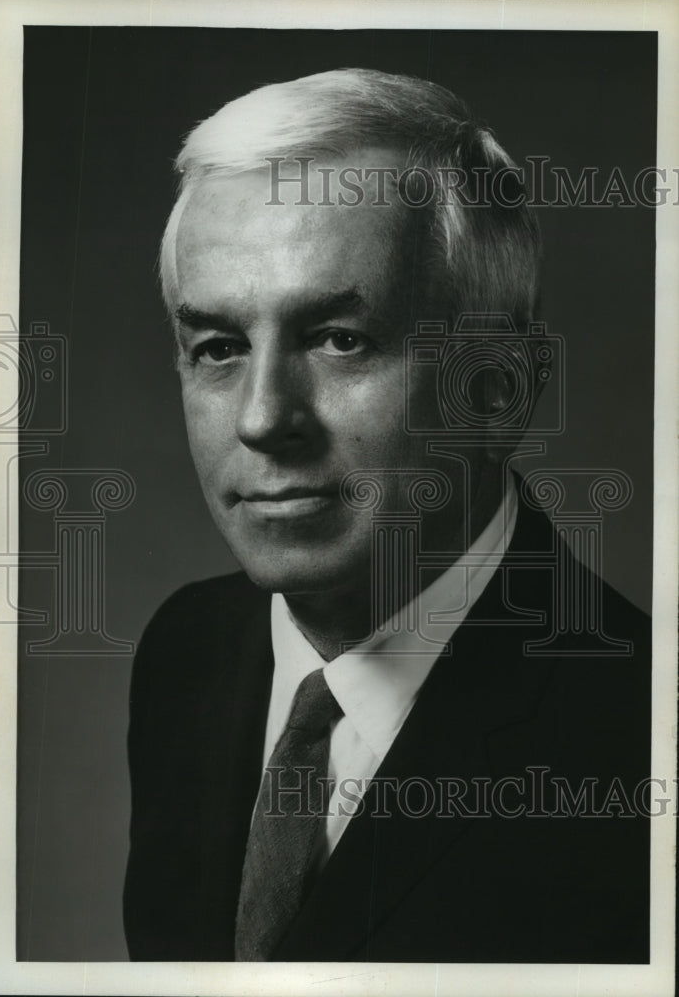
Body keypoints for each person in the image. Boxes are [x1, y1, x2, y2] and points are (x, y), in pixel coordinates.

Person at [123, 68, 650, 963]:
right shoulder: (186, 649)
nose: (260, 418)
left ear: (499, 389)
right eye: (217, 347)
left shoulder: (642, 737)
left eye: (339, 340)